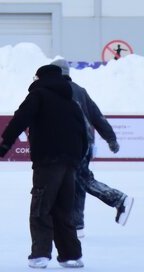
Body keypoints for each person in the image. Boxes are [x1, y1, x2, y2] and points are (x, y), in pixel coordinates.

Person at [0, 63, 88, 269]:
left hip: (48, 161)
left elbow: (20, 118)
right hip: (70, 164)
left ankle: (40, 254)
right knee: (64, 209)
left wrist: (5, 142)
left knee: (41, 207)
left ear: (40, 78)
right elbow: (83, 133)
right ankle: (71, 255)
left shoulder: (39, 95)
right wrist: (77, 158)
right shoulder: (71, 102)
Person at [52, 59, 132, 234]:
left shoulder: (58, 91)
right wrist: (110, 138)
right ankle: (77, 224)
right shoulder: (80, 91)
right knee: (77, 181)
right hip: (86, 142)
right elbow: (97, 116)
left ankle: (118, 199)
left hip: (72, 143)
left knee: (81, 180)